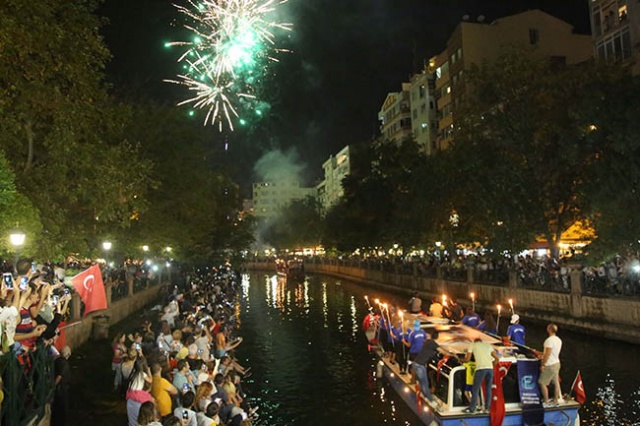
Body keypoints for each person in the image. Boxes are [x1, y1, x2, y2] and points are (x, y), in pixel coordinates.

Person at [410, 330, 450, 408]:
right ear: (438, 337)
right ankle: (431, 401)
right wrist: (452, 354)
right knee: (425, 384)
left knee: (422, 382)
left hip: (417, 364)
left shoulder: (428, 342)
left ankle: (425, 395)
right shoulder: (432, 343)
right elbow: (442, 351)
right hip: (419, 366)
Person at [462, 338, 499, 413]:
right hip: (490, 369)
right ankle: (487, 408)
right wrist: (492, 365)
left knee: (475, 389)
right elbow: (497, 358)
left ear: (475, 341)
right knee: (488, 389)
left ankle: (472, 408)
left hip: (480, 369)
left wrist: (461, 360)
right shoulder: (488, 345)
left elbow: (468, 359)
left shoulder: (472, 345)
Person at [539, 323, 562, 407]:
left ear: (549, 329)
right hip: (557, 363)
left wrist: (543, 364)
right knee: (556, 382)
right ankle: (556, 400)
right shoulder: (559, 340)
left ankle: (546, 401)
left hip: (549, 364)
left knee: (542, 383)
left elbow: (547, 354)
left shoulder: (549, 341)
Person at [51, 346, 71, 426]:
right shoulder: (63, 363)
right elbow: (60, 375)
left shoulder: (58, 361)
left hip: (61, 388)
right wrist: (53, 386)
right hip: (61, 389)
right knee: (61, 408)